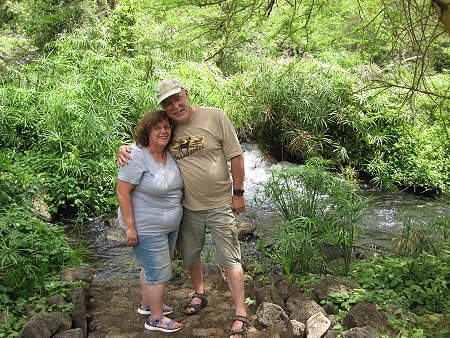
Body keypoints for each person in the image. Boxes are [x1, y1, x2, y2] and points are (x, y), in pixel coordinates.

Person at [118, 79, 249, 338]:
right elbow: (147, 142)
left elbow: (236, 156)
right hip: (187, 207)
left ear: (186, 95)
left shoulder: (216, 116)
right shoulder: (170, 127)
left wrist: (238, 193)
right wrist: (123, 149)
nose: (175, 106)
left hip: (221, 203)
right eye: (168, 104)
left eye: (178, 99)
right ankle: (199, 292)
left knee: (230, 259)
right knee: (191, 256)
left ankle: (241, 313)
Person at [117, 108, 183, 333]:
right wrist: (130, 228)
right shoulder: (135, 155)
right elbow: (122, 193)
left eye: (167, 127)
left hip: (168, 224)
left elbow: (205, 142)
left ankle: (148, 304)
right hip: (146, 226)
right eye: (157, 127)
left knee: (150, 267)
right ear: (147, 131)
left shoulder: (172, 151)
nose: (163, 131)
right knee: (158, 271)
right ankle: (155, 318)